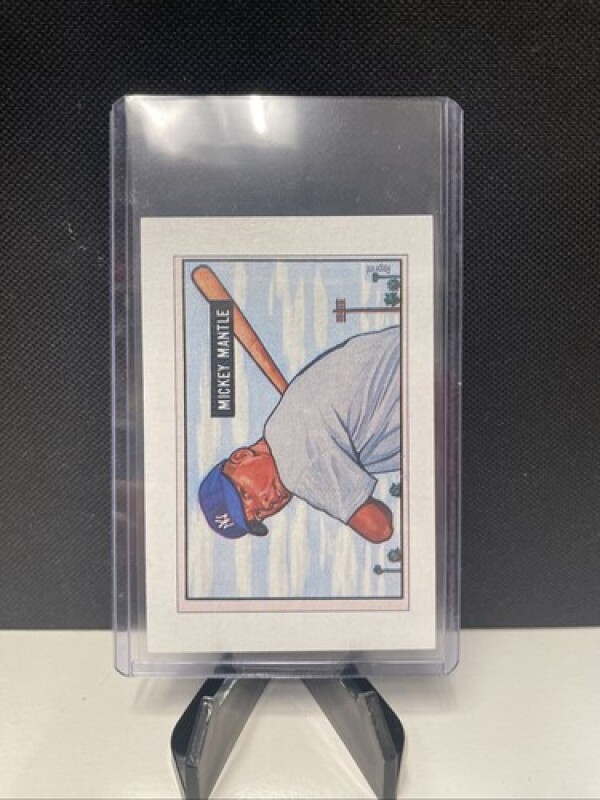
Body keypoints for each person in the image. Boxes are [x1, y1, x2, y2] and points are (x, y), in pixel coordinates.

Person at [198, 326, 401, 543]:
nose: (265, 505)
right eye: (258, 515)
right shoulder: (286, 418)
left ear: (241, 456)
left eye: (244, 493)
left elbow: (380, 529)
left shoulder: (295, 463)